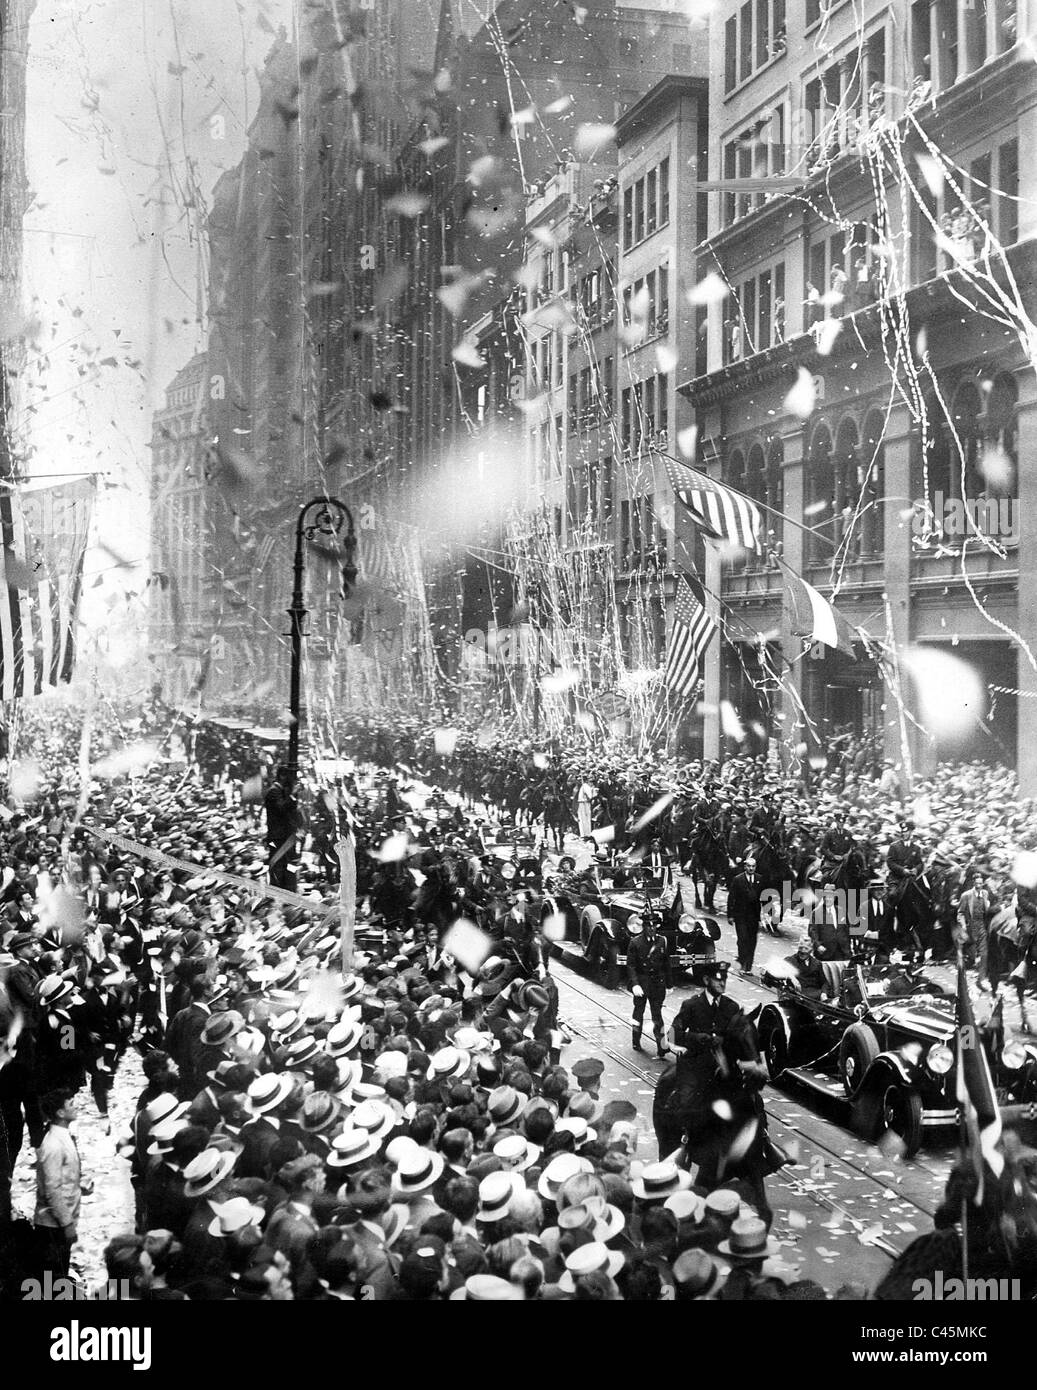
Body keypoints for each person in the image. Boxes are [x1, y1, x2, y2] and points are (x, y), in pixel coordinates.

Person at [35, 1088, 81, 1277]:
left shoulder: (63, 1136)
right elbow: (52, 1190)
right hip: (53, 1226)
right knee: (54, 1278)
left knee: (58, 1274)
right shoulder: (53, 1144)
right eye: (71, 1104)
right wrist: (67, 1224)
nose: (76, 1106)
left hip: (59, 1223)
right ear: (60, 1113)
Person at [626, 914, 672, 1058]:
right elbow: (631, 966)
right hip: (642, 983)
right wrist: (635, 984)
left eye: (654, 925)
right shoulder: (635, 942)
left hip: (657, 984)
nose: (651, 929)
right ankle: (636, 1040)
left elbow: (666, 964)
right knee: (638, 1013)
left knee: (657, 1015)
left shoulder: (662, 941)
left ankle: (662, 1047)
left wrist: (669, 985)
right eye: (648, 926)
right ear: (644, 927)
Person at [263, 766, 301, 891]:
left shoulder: (281, 791)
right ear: (283, 776)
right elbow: (282, 809)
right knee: (278, 866)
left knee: (287, 866)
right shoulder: (274, 791)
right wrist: (293, 794)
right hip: (278, 836)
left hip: (284, 835)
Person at [727, 854, 763, 977]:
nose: (751, 868)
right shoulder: (738, 879)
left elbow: (762, 898)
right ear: (745, 867)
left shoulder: (760, 879)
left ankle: (748, 967)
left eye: (753, 866)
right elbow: (731, 898)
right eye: (749, 866)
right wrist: (730, 915)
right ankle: (742, 963)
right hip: (740, 915)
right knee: (742, 939)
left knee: (752, 941)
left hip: (754, 917)